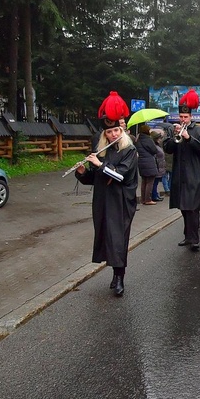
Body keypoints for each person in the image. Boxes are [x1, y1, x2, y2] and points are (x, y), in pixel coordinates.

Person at [75, 91, 138, 296]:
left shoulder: (129, 150)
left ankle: (120, 277)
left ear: (122, 130)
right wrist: (83, 173)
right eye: (109, 133)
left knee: (118, 239)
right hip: (103, 200)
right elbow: (96, 178)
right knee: (106, 238)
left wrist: (100, 165)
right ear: (105, 134)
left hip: (121, 201)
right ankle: (114, 273)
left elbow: (120, 175)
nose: (113, 135)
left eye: (117, 131)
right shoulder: (101, 149)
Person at [163, 88, 200, 251]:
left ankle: (195, 238)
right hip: (179, 174)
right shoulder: (173, 129)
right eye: (181, 117)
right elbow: (167, 149)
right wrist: (173, 137)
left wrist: (188, 138)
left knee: (192, 208)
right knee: (183, 207)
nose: (183, 119)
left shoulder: (199, 130)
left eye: (186, 117)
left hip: (195, 175)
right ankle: (187, 236)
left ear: (191, 117)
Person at [135, 123, 158, 206]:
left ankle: (143, 199)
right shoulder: (148, 139)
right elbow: (154, 150)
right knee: (150, 182)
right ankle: (148, 199)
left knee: (144, 181)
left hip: (141, 162)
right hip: (149, 162)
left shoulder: (138, 139)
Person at [150, 130, 166, 201]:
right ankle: (154, 195)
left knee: (156, 183)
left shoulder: (157, 145)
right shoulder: (154, 146)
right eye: (159, 138)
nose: (160, 140)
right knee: (154, 183)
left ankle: (156, 194)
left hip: (160, 166)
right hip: (157, 166)